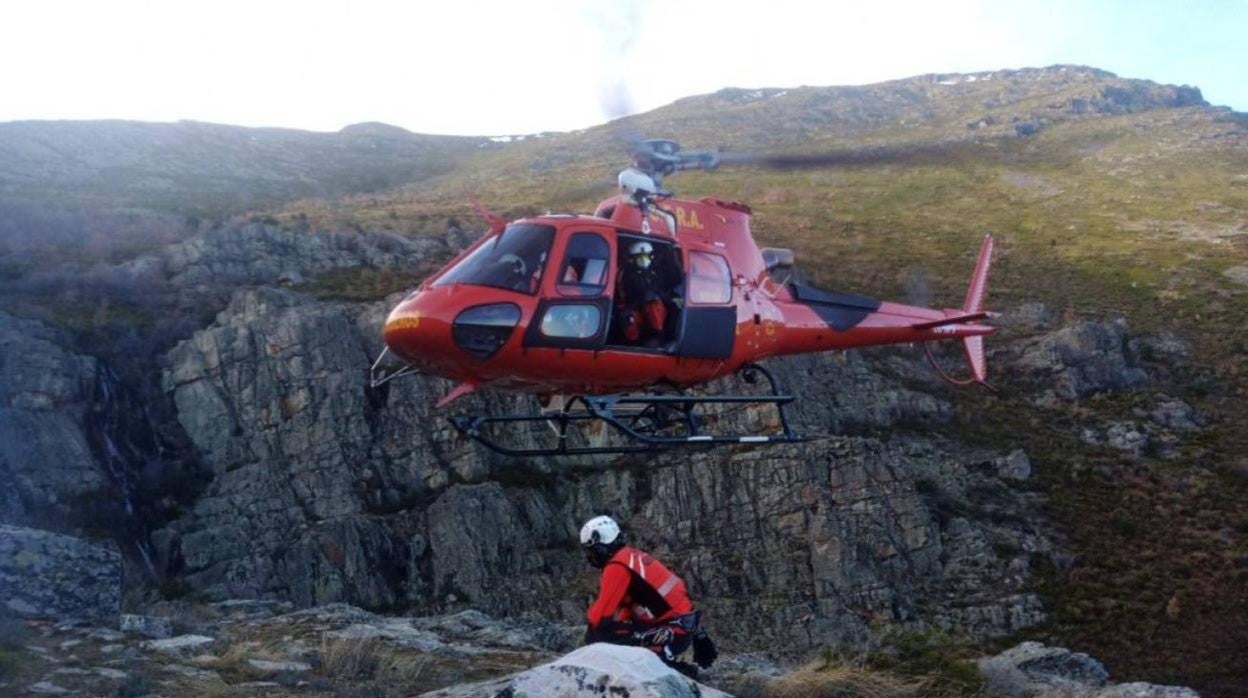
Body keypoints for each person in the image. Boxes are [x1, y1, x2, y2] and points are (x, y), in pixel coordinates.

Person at [580, 515, 717, 677]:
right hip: (680, 629)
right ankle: (664, 660)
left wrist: (591, 640)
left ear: (601, 544)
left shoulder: (617, 567)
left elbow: (599, 618)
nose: (590, 558)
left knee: (599, 634)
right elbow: (675, 597)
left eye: (592, 551)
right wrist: (697, 631)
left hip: (668, 633)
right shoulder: (632, 557)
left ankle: (672, 668)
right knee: (609, 630)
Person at [616, 241, 677, 346]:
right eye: (639, 256)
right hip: (636, 309)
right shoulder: (627, 274)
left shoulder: (658, 272)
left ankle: (658, 337)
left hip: (659, 311)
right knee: (627, 319)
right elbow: (626, 295)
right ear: (632, 259)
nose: (643, 259)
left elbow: (675, 279)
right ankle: (633, 345)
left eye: (645, 256)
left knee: (653, 303)